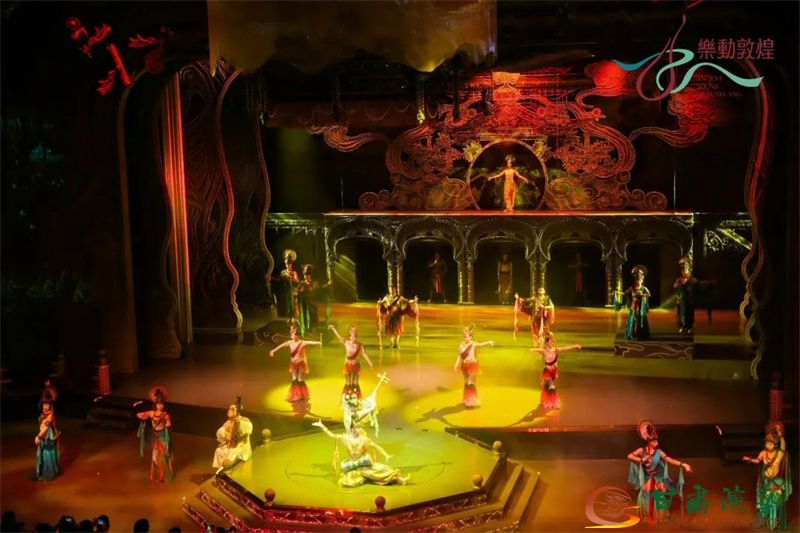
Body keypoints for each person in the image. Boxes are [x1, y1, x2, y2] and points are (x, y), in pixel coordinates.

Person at [627, 420, 692, 523]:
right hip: (646, 479)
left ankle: (658, 517)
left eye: (657, 441)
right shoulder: (641, 450)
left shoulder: (659, 452)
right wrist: (642, 460)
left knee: (658, 496)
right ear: (649, 442)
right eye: (654, 442)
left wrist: (683, 464)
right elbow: (629, 456)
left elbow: (669, 459)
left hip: (657, 479)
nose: (656, 443)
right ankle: (646, 517)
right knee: (645, 496)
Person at [311, 420, 409, 487]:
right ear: (352, 429)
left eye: (359, 427)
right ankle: (365, 477)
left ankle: (400, 479)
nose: (360, 429)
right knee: (348, 481)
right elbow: (332, 436)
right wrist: (322, 426)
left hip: (363, 463)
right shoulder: (345, 438)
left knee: (383, 469)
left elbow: (375, 446)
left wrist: (386, 455)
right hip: (352, 464)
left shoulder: (364, 439)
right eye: (357, 427)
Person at [743, 422, 792, 530]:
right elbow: (757, 460)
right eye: (767, 443)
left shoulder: (778, 455)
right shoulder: (763, 453)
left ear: (775, 444)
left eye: (770, 443)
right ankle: (767, 522)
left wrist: (780, 436)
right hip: (767, 482)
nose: (768, 445)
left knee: (776, 503)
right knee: (766, 502)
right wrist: (750, 459)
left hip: (777, 482)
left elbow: (783, 448)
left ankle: (775, 523)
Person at [269, 323, 321, 402]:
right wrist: (273, 351)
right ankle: (295, 396)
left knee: (299, 379)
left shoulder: (302, 342)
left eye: (294, 334)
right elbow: (281, 346)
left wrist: (318, 343)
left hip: (300, 364)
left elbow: (310, 342)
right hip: (293, 364)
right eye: (291, 334)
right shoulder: (289, 342)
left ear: (297, 335)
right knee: (294, 379)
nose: (292, 336)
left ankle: (302, 394)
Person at [530, 333, 581, 410]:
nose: (552, 343)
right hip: (547, 371)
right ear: (547, 343)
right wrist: (533, 350)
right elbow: (539, 350)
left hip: (553, 371)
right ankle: (553, 403)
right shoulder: (544, 350)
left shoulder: (556, 350)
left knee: (546, 386)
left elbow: (565, 348)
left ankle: (545, 401)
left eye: (552, 341)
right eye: (550, 342)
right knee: (551, 386)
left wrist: (575, 346)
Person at [136, 386, 174, 483]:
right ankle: (160, 475)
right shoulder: (151, 413)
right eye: (158, 404)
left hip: (162, 437)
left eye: (161, 404)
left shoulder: (165, 415)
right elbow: (140, 414)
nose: (160, 406)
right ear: (155, 405)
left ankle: (165, 477)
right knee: (154, 458)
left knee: (164, 457)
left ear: (163, 405)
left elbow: (168, 422)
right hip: (155, 437)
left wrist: (168, 423)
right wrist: (142, 416)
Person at [453, 324, 495, 408]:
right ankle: (468, 401)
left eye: (466, 336)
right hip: (464, 366)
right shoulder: (461, 345)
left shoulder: (474, 344)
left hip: (472, 365)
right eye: (464, 336)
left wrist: (489, 342)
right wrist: (456, 364)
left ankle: (475, 399)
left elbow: (481, 344)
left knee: (470, 382)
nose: (465, 338)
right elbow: (460, 356)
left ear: (470, 337)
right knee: (466, 383)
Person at [329, 324, 373, 398]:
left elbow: (364, 354)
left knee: (355, 383)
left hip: (356, 366)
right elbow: (339, 336)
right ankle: (347, 396)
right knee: (348, 383)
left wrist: (370, 363)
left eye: (355, 337)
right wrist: (333, 328)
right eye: (352, 337)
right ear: (349, 337)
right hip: (348, 365)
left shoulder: (360, 345)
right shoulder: (346, 342)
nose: (354, 338)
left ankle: (356, 397)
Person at [673, 257, 713, 334]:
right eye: (683, 271)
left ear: (689, 271)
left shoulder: (692, 279)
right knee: (681, 313)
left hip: (689, 299)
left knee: (689, 312)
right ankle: (683, 326)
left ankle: (689, 326)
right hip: (681, 300)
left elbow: (697, 283)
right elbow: (675, 285)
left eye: (686, 270)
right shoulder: (680, 279)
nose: (685, 272)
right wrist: (681, 283)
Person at [212, 400, 253, 474]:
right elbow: (220, 432)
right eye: (229, 409)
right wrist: (225, 434)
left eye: (232, 409)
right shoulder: (228, 422)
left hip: (240, 447)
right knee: (219, 451)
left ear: (237, 412)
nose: (229, 410)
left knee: (232, 454)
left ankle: (227, 470)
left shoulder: (244, 420)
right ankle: (221, 468)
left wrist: (239, 423)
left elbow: (247, 430)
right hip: (230, 445)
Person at [615, 266, 651, 341]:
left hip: (640, 306)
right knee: (633, 318)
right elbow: (624, 293)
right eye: (638, 280)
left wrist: (643, 294)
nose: (639, 281)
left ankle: (640, 334)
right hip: (633, 305)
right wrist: (617, 292)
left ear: (642, 281)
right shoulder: (632, 288)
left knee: (639, 319)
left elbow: (649, 295)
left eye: (640, 280)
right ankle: (632, 333)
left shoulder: (644, 288)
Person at [295, 264, 332, 336]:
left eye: (307, 275)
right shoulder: (302, 283)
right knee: (304, 317)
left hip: (312, 304)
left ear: (310, 275)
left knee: (313, 317)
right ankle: (305, 330)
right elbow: (296, 292)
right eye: (305, 275)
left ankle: (312, 330)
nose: (306, 276)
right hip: (304, 305)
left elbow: (321, 288)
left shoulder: (314, 283)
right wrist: (296, 300)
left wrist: (328, 284)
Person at [33, 400, 61, 481]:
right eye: (44, 404)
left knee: (47, 453)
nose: (44, 406)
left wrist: (38, 436)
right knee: (45, 453)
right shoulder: (44, 414)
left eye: (47, 405)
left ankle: (48, 474)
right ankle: (46, 472)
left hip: (48, 437)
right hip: (45, 435)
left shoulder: (50, 415)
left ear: (50, 406)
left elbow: (45, 428)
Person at [277, 249, 300, 318]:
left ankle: (293, 319)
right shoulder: (283, 272)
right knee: (286, 309)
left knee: (293, 308)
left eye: (289, 263)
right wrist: (270, 278)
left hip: (292, 293)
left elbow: (297, 282)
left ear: (291, 264)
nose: (287, 265)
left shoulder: (294, 273)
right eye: (286, 263)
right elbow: (278, 280)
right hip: (285, 293)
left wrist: (293, 278)